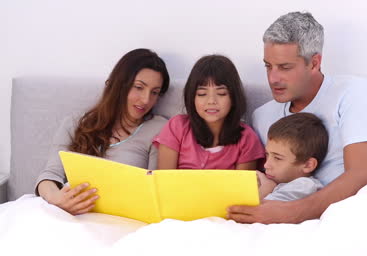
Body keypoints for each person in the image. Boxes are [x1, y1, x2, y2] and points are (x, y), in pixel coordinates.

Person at [227, 11, 367, 223]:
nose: (273, 78)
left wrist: (290, 213)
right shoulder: (263, 116)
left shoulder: (355, 92)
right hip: (312, 223)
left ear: (314, 63)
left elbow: (362, 175)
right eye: (268, 66)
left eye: (284, 67)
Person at [35, 48, 170, 215]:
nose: (146, 100)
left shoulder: (160, 129)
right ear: (120, 84)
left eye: (155, 92)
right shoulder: (75, 123)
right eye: (139, 87)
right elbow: (49, 175)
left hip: (122, 219)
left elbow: (155, 190)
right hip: (70, 215)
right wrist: (56, 199)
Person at [153, 55, 264, 170]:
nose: (211, 101)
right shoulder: (177, 127)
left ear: (234, 97)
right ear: (192, 97)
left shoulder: (247, 138)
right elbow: (164, 180)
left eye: (221, 93)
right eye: (202, 94)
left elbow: (243, 187)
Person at [258, 113, 328, 201]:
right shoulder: (277, 182)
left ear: (308, 165)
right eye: (267, 154)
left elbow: (253, 212)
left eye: (277, 158)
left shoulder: (305, 186)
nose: (266, 165)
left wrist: (266, 189)